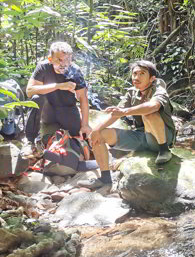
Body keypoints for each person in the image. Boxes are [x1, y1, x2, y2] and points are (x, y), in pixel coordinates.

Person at [78, 60, 176, 189]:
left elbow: (153, 106)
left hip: (161, 137)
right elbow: (116, 114)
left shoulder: (159, 86)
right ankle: (105, 179)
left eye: (142, 74)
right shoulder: (131, 92)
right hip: (141, 137)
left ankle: (164, 151)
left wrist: (125, 111)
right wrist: (96, 130)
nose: (137, 77)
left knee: (149, 113)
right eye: (134, 73)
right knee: (99, 135)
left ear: (152, 78)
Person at [26, 42, 91, 142]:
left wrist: (85, 124)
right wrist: (59, 86)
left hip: (68, 109)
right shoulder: (43, 67)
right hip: (48, 110)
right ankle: (30, 141)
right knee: (36, 99)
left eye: (67, 59)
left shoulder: (75, 71)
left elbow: (83, 98)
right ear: (50, 59)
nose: (64, 64)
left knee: (81, 139)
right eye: (60, 60)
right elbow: (30, 91)